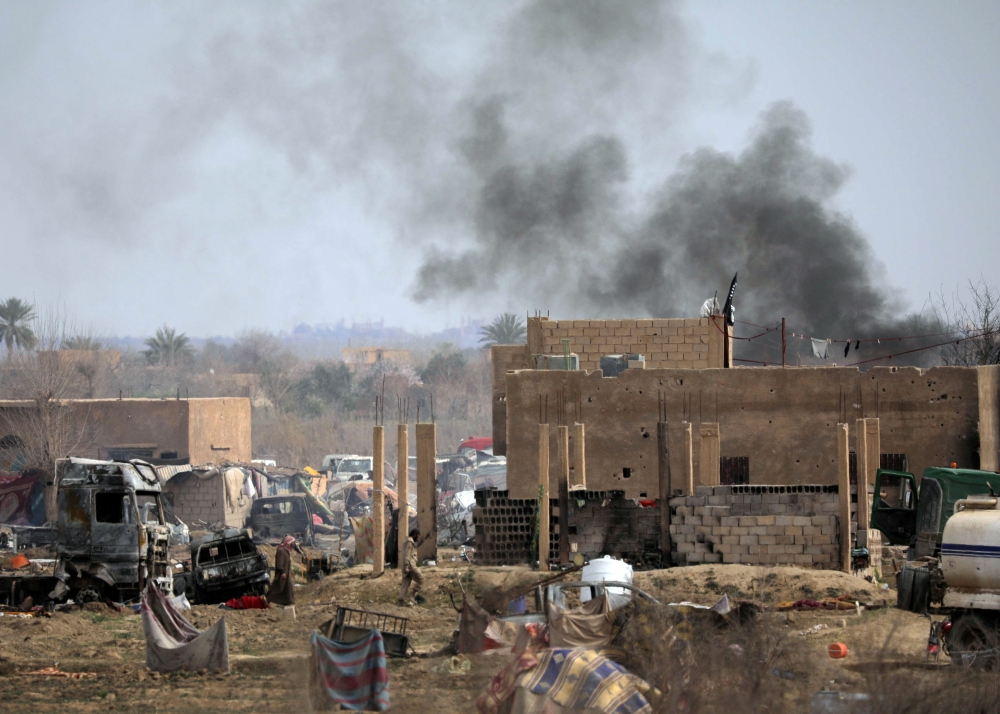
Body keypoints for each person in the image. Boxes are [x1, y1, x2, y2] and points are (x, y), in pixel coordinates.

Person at [398, 528, 425, 606]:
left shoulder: (407, 541)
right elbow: (407, 554)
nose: (418, 537)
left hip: (406, 566)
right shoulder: (410, 542)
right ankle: (411, 594)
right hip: (410, 566)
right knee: (421, 579)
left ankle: (400, 601)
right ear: (415, 534)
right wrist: (407, 566)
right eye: (418, 536)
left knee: (405, 584)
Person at [267, 535, 296, 606]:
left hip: (286, 574)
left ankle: (288, 602)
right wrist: (282, 572)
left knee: (287, 588)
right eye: (292, 542)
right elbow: (279, 563)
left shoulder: (286, 551)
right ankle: (266, 599)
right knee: (277, 589)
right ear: (288, 542)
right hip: (282, 574)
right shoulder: (281, 550)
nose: (293, 544)